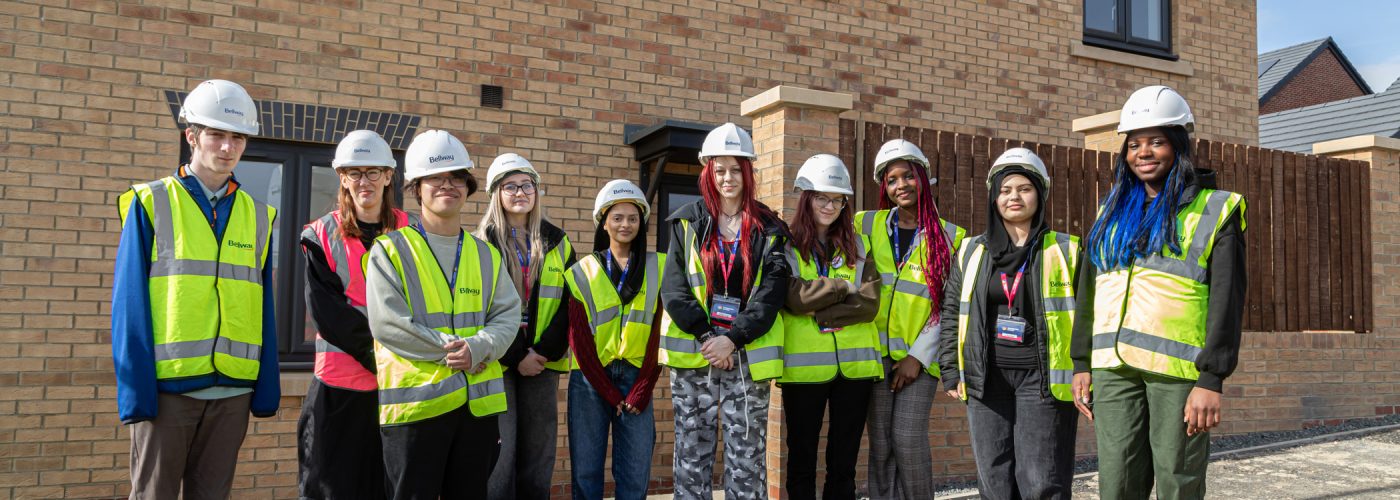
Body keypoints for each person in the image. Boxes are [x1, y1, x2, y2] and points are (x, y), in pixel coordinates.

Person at [1071, 85, 1247, 500]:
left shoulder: (1216, 208)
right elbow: (1090, 290)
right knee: (1116, 483)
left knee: (1177, 480)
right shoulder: (1110, 211)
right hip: (1112, 369)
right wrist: (1082, 362)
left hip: (1178, 373)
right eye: (1134, 144)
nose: (1143, 153)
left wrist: (1211, 379)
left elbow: (1228, 300)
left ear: (1179, 146)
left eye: (1156, 142)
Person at [111, 79, 280, 499]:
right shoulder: (150, 202)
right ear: (192, 136)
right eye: (217, 135)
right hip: (169, 392)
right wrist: (137, 393)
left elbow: (265, 306)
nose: (228, 147)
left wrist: (266, 386)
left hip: (233, 392)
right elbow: (128, 306)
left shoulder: (259, 215)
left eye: (237, 137)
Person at [364, 130, 522, 499]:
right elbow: (389, 324)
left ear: (467, 188)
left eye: (456, 178)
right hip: (417, 411)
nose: (447, 186)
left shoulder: (486, 255)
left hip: (476, 411)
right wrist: (459, 350)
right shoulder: (390, 251)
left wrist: (479, 347)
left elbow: (507, 316)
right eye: (435, 178)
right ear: (416, 188)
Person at [933, 148, 1080, 499]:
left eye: (1024, 188)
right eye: (1005, 189)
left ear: (1040, 194)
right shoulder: (971, 251)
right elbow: (952, 310)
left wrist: (1086, 369)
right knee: (994, 480)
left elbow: (1086, 316)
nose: (1014, 197)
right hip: (987, 378)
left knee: (1042, 478)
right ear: (994, 197)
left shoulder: (1064, 249)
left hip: (1042, 380)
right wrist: (951, 368)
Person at [660, 122, 790, 500]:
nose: (728, 178)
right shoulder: (687, 222)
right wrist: (707, 337)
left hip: (746, 357)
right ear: (708, 172)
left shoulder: (770, 228)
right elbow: (675, 289)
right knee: (691, 455)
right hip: (696, 356)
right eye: (720, 170)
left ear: (748, 172)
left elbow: (771, 294)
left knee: (747, 459)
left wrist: (731, 340)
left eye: (736, 169)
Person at [299, 130, 416, 499]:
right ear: (342, 179)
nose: (364, 181)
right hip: (339, 390)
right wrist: (379, 357)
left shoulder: (415, 232)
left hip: (399, 388)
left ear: (388, 176)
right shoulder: (321, 235)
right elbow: (327, 314)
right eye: (355, 173)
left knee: (387, 488)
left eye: (372, 172)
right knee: (330, 488)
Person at [854, 138, 965, 500]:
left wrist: (917, 357)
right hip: (873, 354)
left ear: (923, 178)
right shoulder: (865, 224)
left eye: (907, 176)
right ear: (884, 187)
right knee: (882, 441)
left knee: (908, 437)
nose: (901, 185)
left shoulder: (949, 237)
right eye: (891, 179)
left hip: (917, 360)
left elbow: (947, 305)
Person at [777, 154, 882, 500]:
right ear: (806, 198)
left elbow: (869, 303)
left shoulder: (859, 245)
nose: (829, 205)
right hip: (805, 370)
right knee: (802, 458)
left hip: (854, 371)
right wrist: (839, 288)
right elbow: (791, 297)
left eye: (837, 199)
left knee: (844, 461)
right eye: (821, 197)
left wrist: (819, 311)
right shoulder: (786, 244)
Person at [477, 153, 575, 500]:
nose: (520, 192)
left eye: (526, 185)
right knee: (499, 454)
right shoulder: (482, 243)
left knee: (539, 452)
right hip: (498, 362)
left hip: (543, 363)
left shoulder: (558, 241)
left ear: (536, 190)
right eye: (510, 186)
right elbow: (479, 307)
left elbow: (569, 303)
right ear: (496, 194)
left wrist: (543, 352)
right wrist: (516, 355)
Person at [564, 179, 667, 500]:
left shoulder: (658, 267)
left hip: (638, 377)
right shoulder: (582, 271)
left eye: (633, 218)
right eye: (618, 217)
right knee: (586, 471)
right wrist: (609, 392)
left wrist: (641, 390)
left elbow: (658, 335)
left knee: (635, 474)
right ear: (603, 222)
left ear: (642, 223)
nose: (625, 225)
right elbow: (579, 341)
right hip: (590, 382)